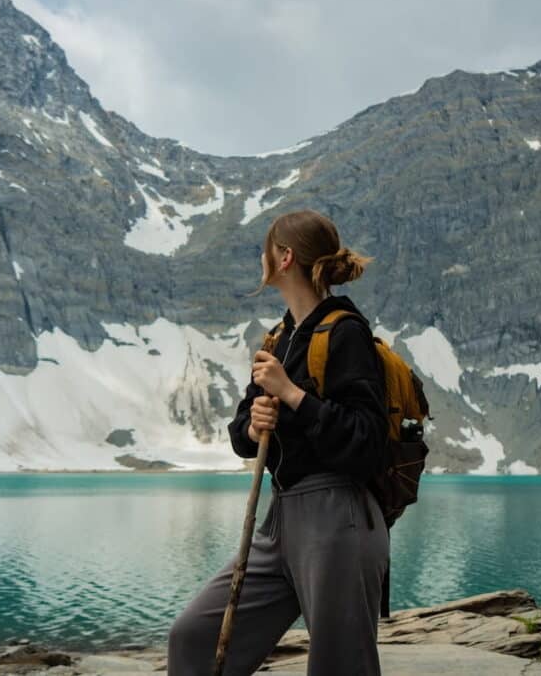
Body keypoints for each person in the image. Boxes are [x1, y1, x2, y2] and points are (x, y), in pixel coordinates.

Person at [167, 209, 390, 675]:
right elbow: (241, 436)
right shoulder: (280, 337)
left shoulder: (346, 331)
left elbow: (366, 442)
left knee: (339, 667)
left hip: (338, 519)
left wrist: (292, 396)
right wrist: (254, 426)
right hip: (280, 520)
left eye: (267, 248)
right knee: (193, 638)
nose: (261, 257)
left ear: (285, 258)